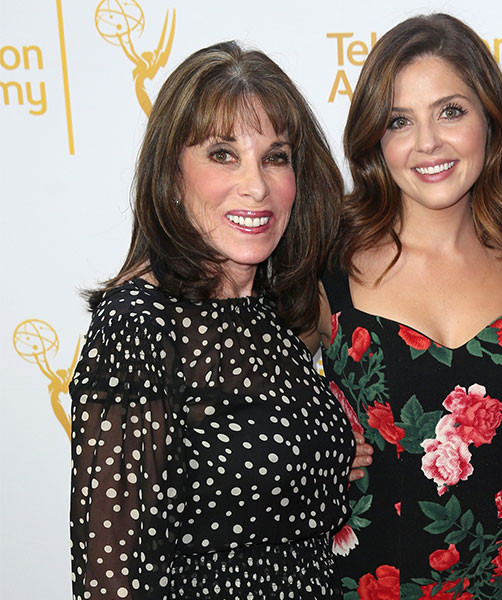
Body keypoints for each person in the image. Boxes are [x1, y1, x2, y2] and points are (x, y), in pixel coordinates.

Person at [69, 41, 363, 600]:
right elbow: (112, 577)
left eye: (275, 156)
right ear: (173, 175)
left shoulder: (272, 313)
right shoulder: (139, 326)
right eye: (223, 154)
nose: (256, 185)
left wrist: (326, 447)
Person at [313, 13, 502, 600]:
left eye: (450, 111)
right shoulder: (325, 263)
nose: (427, 143)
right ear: (376, 139)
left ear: (489, 119)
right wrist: (319, 449)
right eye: (400, 121)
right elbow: (256, 411)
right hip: (370, 574)